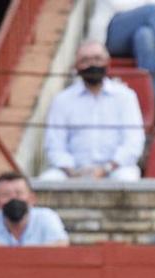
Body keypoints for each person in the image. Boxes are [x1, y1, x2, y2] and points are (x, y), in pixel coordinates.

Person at [38, 42, 145, 182]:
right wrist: (72, 171)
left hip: (116, 169)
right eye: (85, 60)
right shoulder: (62, 100)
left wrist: (106, 169)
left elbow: (133, 142)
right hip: (72, 171)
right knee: (48, 180)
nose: (92, 65)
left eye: (97, 59)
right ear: (76, 66)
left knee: (126, 179)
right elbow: (54, 145)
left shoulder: (126, 96)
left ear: (107, 62)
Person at [0, 172, 69, 247]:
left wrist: (17, 254)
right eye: (6, 195)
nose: (13, 199)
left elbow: (61, 243)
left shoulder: (46, 216)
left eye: (19, 193)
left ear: (32, 198)